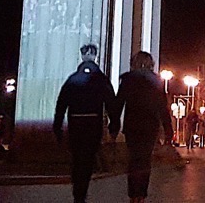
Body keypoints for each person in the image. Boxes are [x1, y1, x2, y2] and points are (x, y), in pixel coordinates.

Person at [55, 43, 119, 203]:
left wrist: (57, 126)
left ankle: (78, 192)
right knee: (88, 158)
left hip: (75, 122)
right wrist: (114, 125)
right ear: (95, 56)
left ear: (82, 56)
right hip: (93, 123)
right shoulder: (101, 79)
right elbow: (111, 102)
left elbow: (61, 103)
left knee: (77, 158)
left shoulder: (72, 79)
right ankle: (82, 189)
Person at [114, 51, 173, 202]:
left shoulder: (128, 80)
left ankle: (133, 195)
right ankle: (141, 195)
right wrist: (168, 131)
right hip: (149, 126)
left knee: (134, 160)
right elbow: (163, 108)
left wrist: (114, 125)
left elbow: (119, 103)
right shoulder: (156, 83)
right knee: (145, 160)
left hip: (132, 126)